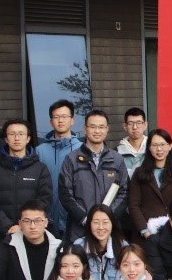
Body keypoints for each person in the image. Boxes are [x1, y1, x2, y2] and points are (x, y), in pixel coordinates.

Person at [60, 110, 130, 239]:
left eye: (101, 127)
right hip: (79, 231)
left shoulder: (117, 160)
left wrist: (108, 218)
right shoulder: (71, 159)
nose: (97, 131)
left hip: (109, 230)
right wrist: (85, 219)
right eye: (92, 127)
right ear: (85, 129)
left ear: (107, 129)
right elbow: (65, 195)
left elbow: (124, 192)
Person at [0, 118, 53, 239]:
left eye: (21, 134)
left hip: (31, 233)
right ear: (5, 139)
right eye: (12, 134)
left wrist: (23, 225)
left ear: (28, 138)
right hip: (0, 234)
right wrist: (7, 226)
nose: (17, 138)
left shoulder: (40, 169)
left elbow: (45, 200)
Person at [128, 128, 172, 241]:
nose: (159, 149)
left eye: (162, 144)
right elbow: (133, 205)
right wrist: (145, 231)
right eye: (155, 145)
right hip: (145, 234)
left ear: (170, 146)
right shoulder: (139, 173)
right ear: (149, 148)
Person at [36, 100, 81, 238]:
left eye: (64, 116)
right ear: (51, 122)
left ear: (72, 120)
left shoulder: (82, 150)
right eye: (56, 117)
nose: (60, 120)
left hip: (76, 218)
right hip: (47, 219)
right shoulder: (40, 151)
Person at [76, 205, 125, 280]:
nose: (101, 227)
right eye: (96, 222)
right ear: (89, 224)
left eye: (105, 222)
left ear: (112, 224)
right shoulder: (79, 246)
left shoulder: (122, 246)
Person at [116, 107, 150, 176]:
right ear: (125, 126)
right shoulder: (116, 153)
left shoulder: (153, 150)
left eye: (138, 123)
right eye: (130, 123)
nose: (135, 127)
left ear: (145, 125)